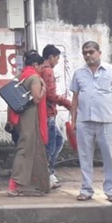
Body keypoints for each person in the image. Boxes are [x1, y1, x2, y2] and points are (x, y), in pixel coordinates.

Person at [69, 40, 112, 202]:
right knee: (84, 156)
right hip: (84, 121)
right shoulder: (79, 73)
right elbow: (75, 98)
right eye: (85, 53)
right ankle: (86, 189)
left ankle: (111, 190)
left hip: (107, 120)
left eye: (91, 52)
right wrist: (73, 120)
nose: (88, 55)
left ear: (99, 53)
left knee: (109, 156)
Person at [7, 51, 50, 197]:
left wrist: (9, 120)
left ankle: (38, 184)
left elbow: (11, 101)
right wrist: (44, 88)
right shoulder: (35, 78)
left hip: (20, 118)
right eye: (41, 66)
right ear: (35, 65)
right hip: (30, 118)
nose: (42, 69)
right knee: (25, 149)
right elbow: (37, 98)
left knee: (34, 149)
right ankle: (13, 185)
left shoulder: (20, 77)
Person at [41, 44, 73, 189]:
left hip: (47, 113)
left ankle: (49, 172)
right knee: (51, 146)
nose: (58, 61)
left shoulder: (41, 69)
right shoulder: (48, 71)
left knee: (58, 141)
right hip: (48, 114)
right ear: (51, 57)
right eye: (57, 58)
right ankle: (48, 174)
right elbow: (51, 95)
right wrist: (67, 103)